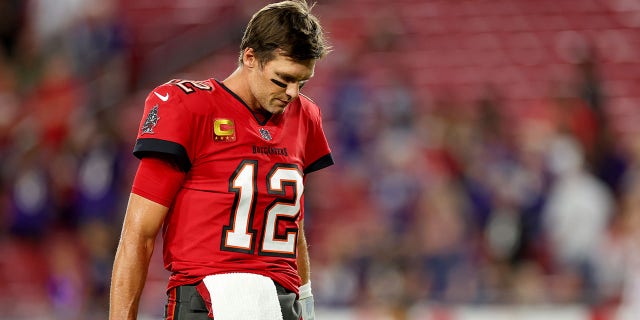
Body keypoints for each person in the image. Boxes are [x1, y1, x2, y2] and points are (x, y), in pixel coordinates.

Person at [109, 1, 333, 319]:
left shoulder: (305, 116)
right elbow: (138, 233)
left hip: (280, 300)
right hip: (206, 298)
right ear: (250, 57)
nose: (292, 94)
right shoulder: (190, 107)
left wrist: (307, 302)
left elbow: (292, 222)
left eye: (302, 82)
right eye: (282, 79)